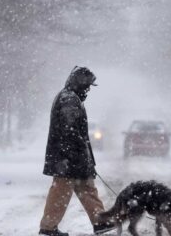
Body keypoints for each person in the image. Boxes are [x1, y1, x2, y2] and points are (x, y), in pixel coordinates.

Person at [39, 66, 115, 236]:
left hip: (71, 157)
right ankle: (48, 228)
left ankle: (100, 222)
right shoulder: (68, 99)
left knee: (87, 188)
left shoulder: (71, 97)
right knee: (61, 192)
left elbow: (73, 133)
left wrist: (85, 158)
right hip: (66, 158)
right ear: (79, 83)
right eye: (87, 85)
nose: (88, 89)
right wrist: (79, 156)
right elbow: (70, 131)